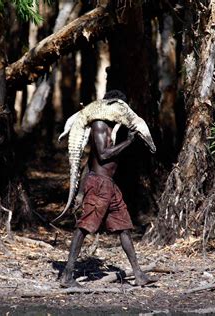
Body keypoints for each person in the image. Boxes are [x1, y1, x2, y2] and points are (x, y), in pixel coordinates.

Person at [60, 90, 155, 288]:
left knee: (124, 228)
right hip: (100, 185)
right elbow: (102, 155)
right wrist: (128, 142)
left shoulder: (109, 126)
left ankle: (138, 275)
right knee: (84, 227)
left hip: (109, 185)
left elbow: (90, 160)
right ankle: (67, 276)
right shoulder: (99, 125)